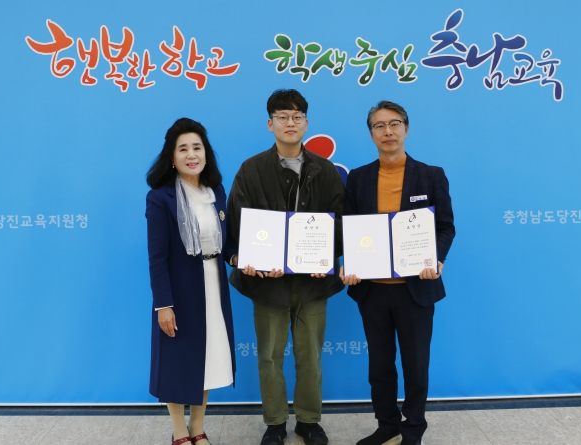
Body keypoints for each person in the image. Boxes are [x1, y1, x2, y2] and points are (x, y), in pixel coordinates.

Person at [223, 89, 345, 445]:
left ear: (306, 124)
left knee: (311, 357)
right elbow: (236, 226)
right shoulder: (251, 170)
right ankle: (275, 422)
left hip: (313, 284)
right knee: (269, 356)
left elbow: (340, 222)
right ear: (270, 124)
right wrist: (246, 260)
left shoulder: (325, 170)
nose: (289, 123)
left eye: (296, 117)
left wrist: (327, 258)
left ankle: (308, 421)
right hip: (268, 285)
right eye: (282, 117)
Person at [340, 101, 455, 445]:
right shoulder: (359, 178)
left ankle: (413, 429)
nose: (387, 131)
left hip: (415, 288)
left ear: (406, 128)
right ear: (371, 133)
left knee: (416, 365)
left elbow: (445, 227)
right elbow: (349, 227)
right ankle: (387, 424)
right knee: (380, 364)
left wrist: (437, 259)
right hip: (372, 289)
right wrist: (349, 262)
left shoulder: (431, 175)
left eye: (394, 124)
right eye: (379, 125)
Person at [145, 117, 235, 445]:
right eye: (182, 149)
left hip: (213, 284)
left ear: (206, 154)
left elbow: (227, 242)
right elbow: (157, 257)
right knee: (177, 360)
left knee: (206, 358)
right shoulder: (160, 197)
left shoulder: (216, 192)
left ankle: (198, 427)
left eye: (197, 147)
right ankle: (179, 431)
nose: (191, 154)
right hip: (179, 290)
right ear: (172, 157)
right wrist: (163, 305)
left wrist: (238, 258)